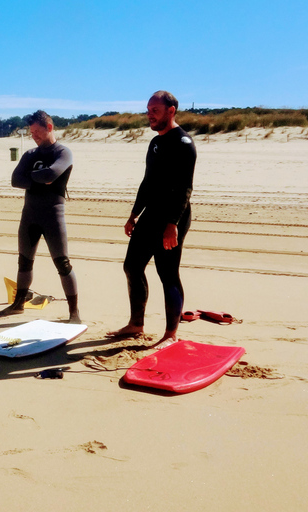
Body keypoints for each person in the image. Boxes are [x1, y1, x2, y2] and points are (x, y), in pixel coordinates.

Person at [107, 90, 196, 347]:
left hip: (173, 217)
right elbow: (147, 182)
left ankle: (171, 334)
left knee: (167, 273)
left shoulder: (184, 144)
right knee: (132, 266)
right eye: (148, 111)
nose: (150, 116)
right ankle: (136, 324)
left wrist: (173, 225)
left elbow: (184, 189)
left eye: (154, 111)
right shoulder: (155, 143)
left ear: (171, 111)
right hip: (151, 214)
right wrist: (133, 214)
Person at [0, 110, 81, 323]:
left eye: (37, 131)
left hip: (53, 214)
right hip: (30, 215)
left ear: (49, 127)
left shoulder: (63, 152)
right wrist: (41, 179)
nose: (34, 135)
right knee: (24, 262)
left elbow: (51, 174)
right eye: (31, 131)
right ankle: (18, 305)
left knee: (63, 263)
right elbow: (16, 180)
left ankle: (74, 313)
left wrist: (33, 177)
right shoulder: (30, 155)